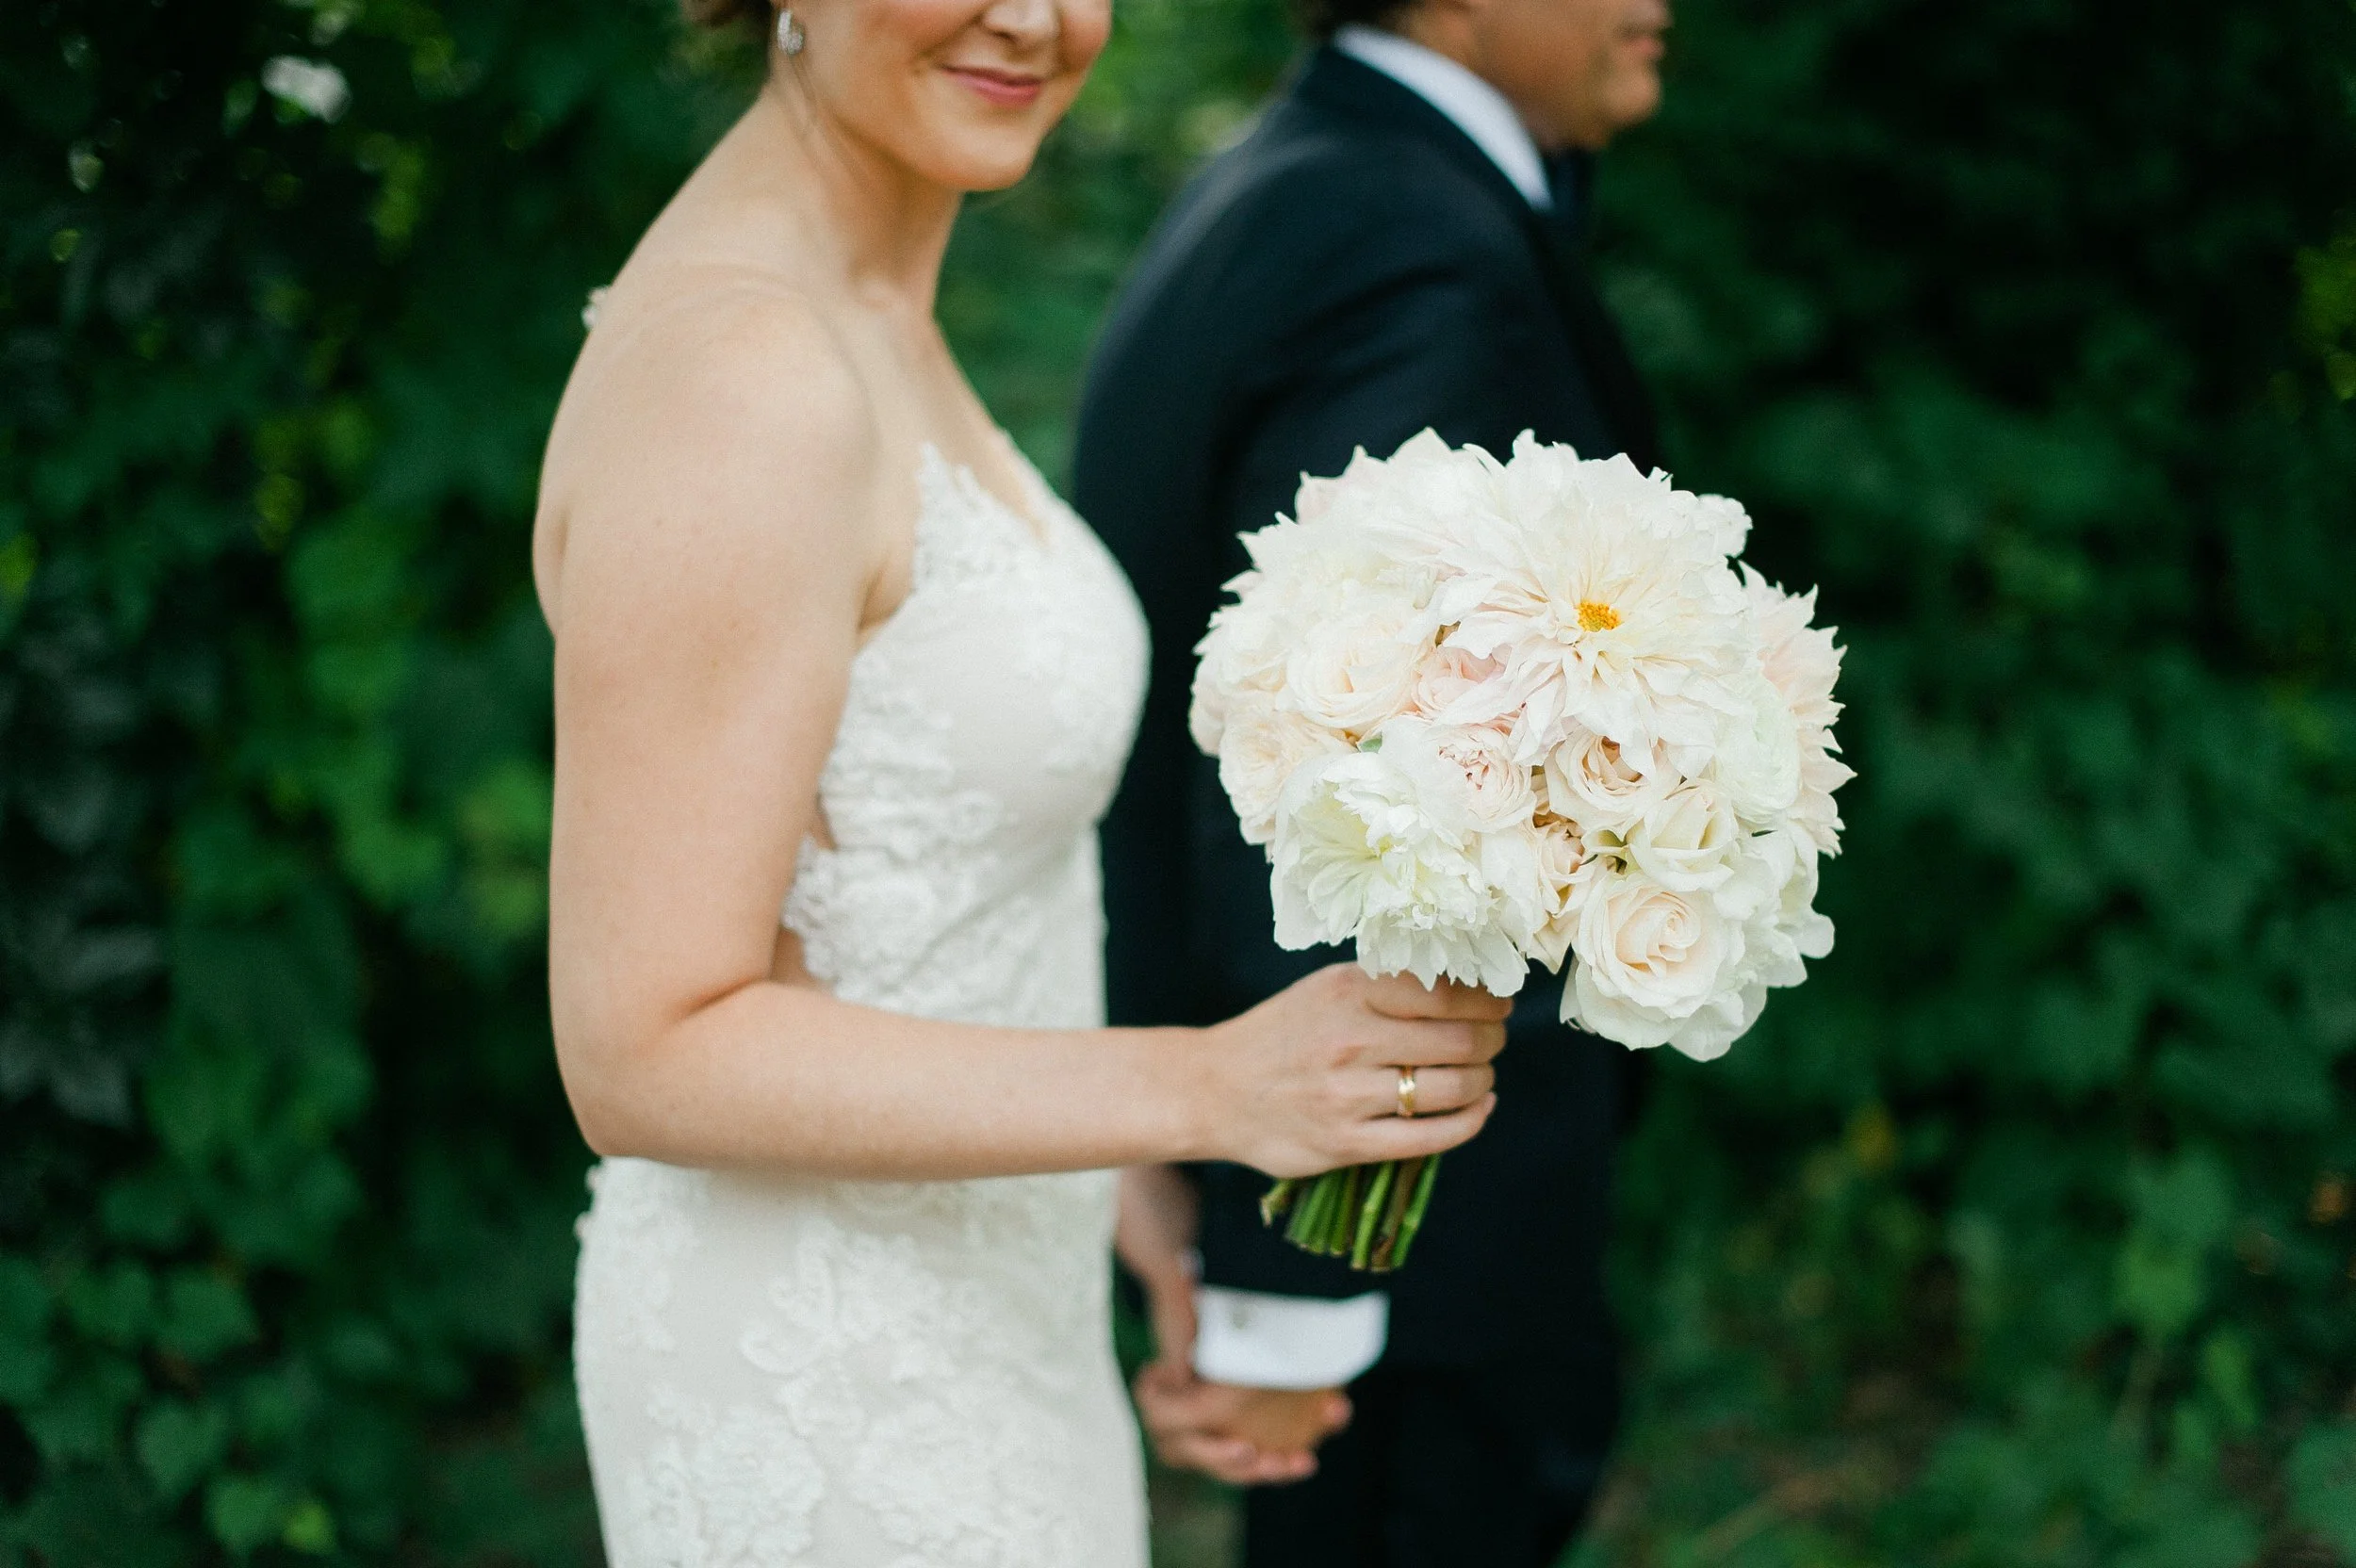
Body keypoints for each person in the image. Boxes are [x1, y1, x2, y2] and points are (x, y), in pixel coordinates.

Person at [531, 0, 1513, 1560]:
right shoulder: (741, 373)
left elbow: (919, 911)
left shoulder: (870, 301)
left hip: (996, 1323)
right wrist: (1209, 1088)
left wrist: (1134, 1190)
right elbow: (643, 1047)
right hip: (827, 1383)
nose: (1038, 18)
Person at [1073, 0, 1670, 1560]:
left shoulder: (1294, 180)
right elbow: (1342, 779)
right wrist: (1296, 1306)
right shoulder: (1410, 237)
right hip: (1412, 1271)